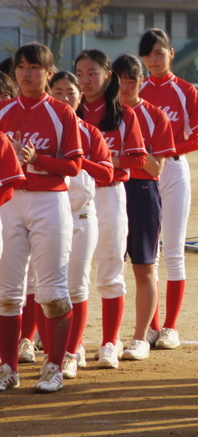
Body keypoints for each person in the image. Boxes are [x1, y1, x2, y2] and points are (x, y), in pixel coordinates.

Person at [0, 43, 82, 393]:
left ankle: (54, 366)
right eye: (21, 67)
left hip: (50, 201)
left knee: (51, 291)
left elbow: (74, 165)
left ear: (49, 73)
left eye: (35, 67)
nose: (26, 73)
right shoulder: (3, 110)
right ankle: (7, 367)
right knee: (7, 292)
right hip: (10, 202)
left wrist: (36, 159)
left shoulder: (61, 113)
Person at [139, 28, 198, 350]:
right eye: (148, 55)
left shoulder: (185, 90)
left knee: (173, 250)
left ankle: (170, 327)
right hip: (144, 173)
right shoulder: (138, 91)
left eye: (159, 53)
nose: (153, 60)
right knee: (147, 253)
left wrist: (163, 151)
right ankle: (151, 327)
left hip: (174, 170)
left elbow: (196, 139)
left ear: (171, 53)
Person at [76, 49, 147, 369]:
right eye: (80, 74)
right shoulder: (71, 112)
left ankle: (109, 342)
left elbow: (138, 159)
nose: (86, 80)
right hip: (74, 196)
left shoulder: (124, 114)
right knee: (73, 272)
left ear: (108, 75)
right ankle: (74, 344)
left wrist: (102, 160)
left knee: (110, 269)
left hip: (109, 193)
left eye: (92, 73)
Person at [48, 71, 114, 380]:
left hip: (83, 214)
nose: (64, 98)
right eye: (57, 92)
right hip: (49, 212)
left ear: (81, 97)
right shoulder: (44, 128)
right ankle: (51, 352)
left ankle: (72, 352)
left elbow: (107, 173)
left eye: (70, 92)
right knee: (46, 286)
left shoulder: (89, 132)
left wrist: (77, 160)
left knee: (77, 284)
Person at [114, 54, 176, 362]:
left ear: (142, 81)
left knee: (144, 265)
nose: (125, 87)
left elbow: (155, 167)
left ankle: (140, 338)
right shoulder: (102, 113)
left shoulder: (154, 116)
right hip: (108, 190)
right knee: (110, 268)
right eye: (119, 81)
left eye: (131, 81)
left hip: (141, 191)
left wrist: (130, 151)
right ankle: (109, 339)